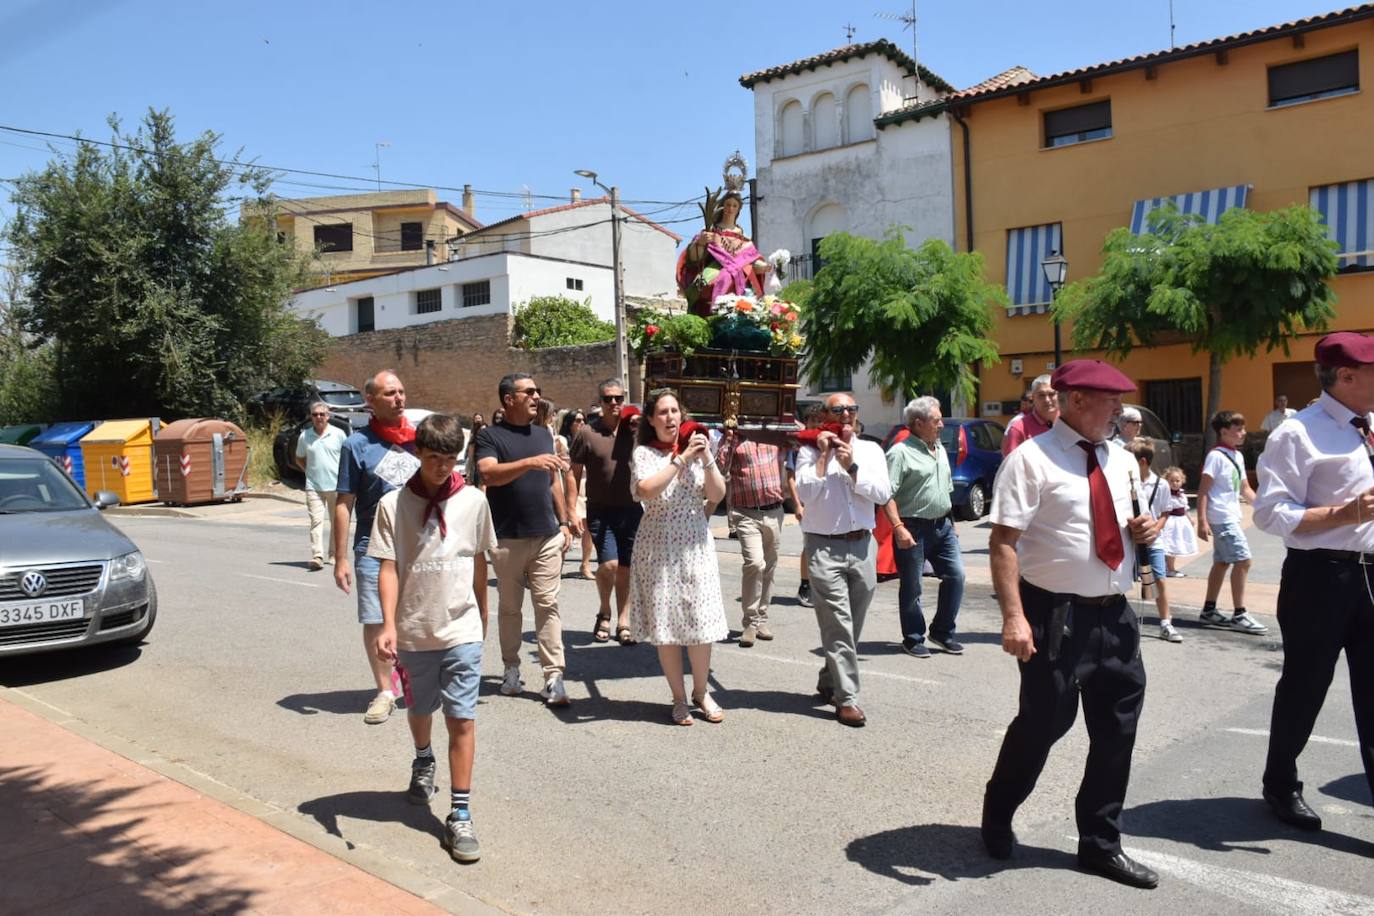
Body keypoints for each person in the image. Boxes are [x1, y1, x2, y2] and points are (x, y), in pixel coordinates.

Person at [981, 359, 1162, 889]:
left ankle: (1101, 844)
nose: (1120, 411)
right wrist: (1014, 617)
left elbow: (1125, 523)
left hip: (1115, 615)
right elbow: (1004, 544)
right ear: (1077, 400)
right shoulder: (1030, 460)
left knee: (1117, 733)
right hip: (1053, 615)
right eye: (1111, 402)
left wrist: (1142, 530)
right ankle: (998, 812)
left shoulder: (1123, 459)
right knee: (1042, 726)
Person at [1253, 331, 1374, 831]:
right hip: (1320, 576)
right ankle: (1280, 785)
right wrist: (1340, 513)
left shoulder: (1370, 426)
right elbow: (1269, 513)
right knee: (1306, 687)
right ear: (1346, 376)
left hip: (1372, 573)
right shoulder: (1296, 433)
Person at [369, 414, 496, 864]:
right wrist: (387, 624)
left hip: (461, 628)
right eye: (433, 458)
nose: (442, 467)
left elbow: (478, 559)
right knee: (421, 710)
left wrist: (482, 611)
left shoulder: (475, 502)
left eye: (450, 459)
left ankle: (460, 812)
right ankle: (423, 758)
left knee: (461, 718)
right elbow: (387, 565)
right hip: (414, 629)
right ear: (417, 455)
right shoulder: (392, 505)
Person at [629, 389, 729, 725]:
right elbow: (646, 490)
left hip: (695, 543)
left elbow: (716, 494)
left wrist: (707, 458)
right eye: (663, 412)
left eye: (675, 411)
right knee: (668, 625)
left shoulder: (696, 450)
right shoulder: (645, 453)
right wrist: (681, 458)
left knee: (700, 621)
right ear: (651, 419)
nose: (671, 418)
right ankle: (679, 698)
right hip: (658, 544)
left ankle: (702, 692)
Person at [475, 373, 574, 707]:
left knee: (547, 605)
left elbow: (553, 482)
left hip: (546, 534)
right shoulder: (490, 436)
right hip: (506, 537)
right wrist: (529, 462)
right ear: (508, 399)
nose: (536, 396)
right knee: (510, 608)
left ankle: (553, 677)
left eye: (538, 391)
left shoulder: (544, 434)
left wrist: (564, 523)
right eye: (529, 391)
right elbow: (487, 473)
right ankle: (511, 669)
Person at [795, 393, 893, 727]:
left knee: (853, 624)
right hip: (824, 547)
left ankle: (829, 679)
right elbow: (806, 494)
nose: (847, 414)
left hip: (863, 545)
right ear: (825, 415)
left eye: (851, 409)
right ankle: (847, 698)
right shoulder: (808, 451)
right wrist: (824, 457)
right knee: (838, 623)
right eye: (838, 410)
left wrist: (852, 467)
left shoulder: (871, 450)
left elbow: (882, 493)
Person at [334, 370, 422, 725]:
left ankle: (417, 682)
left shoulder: (420, 440)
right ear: (370, 400)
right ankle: (385, 690)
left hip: (419, 543)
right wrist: (339, 557)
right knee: (375, 618)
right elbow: (344, 503)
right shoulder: (356, 445)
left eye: (401, 391)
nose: (399, 398)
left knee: (415, 617)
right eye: (390, 393)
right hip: (373, 544)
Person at [881, 396, 966, 658]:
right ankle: (913, 637)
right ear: (918, 424)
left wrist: (952, 522)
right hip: (913, 528)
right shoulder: (899, 453)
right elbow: (886, 494)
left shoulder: (939, 448)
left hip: (942, 526)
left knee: (956, 576)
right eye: (936, 420)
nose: (942, 424)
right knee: (913, 586)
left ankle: (942, 631)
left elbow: (944, 488)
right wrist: (898, 527)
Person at [568, 379, 643, 646]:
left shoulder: (634, 432)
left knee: (626, 567)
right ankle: (604, 609)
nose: (614, 403)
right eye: (608, 399)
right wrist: (571, 509)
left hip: (632, 510)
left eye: (619, 399)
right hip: (600, 510)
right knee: (609, 565)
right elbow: (573, 473)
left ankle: (623, 619)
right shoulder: (587, 433)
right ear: (600, 402)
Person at [1197, 411, 1267, 634]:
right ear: (1223, 431)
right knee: (1244, 560)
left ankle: (1209, 610)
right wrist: (1201, 520)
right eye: (1238, 429)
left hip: (1231, 515)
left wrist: (1265, 507)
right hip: (1222, 517)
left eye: (1243, 429)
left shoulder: (1237, 456)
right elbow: (1203, 491)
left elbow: (1245, 489)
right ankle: (1240, 613)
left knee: (1222, 563)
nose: (1243, 433)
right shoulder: (1216, 456)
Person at [717, 428, 788, 647]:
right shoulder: (734, 438)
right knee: (755, 563)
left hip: (774, 511)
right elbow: (721, 467)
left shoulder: (775, 434)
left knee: (769, 567)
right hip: (745, 512)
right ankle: (749, 622)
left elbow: (799, 432)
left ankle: (761, 619)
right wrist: (730, 438)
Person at [677, 190, 772, 316]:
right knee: (712, 284)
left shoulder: (745, 240)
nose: (730, 208)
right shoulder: (712, 231)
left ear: (739, 209)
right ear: (722, 206)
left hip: (741, 282)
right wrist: (700, 243)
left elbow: (752, 263)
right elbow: (694, 259)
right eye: (728, 204)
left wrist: (766, 267)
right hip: (714, 274)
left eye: (734, 205)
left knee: (750, 296)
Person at [1127, 439, 1181, 642]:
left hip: (1153, 541)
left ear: (1142, 462)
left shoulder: (1161, 484)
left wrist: (1154, 531)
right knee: (1122, 578)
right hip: (1129, 539)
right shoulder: (1124, 481)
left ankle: (1166, 622)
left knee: (1159, 579)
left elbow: (1166, 511)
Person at [295, 401, 347, 571]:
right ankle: (317, 555)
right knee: (316, 521)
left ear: (328, 416)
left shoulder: (338, 434)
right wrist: (309, 473)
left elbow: (346, 459)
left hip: (335, 486)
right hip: (313, 487)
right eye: (315, 414)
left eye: (322, 414)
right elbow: (299, 458)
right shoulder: (305, 436)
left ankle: (333, 554)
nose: (318, 417)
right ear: (311, 417)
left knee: (335, 521)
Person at [789, 405, 825, 608]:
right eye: (812, 421)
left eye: (820, 420)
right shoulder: (800, 446)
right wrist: (797, 504)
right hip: (807, 503)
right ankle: (805, 584)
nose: (816, 424)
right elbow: (791, 477)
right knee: (809, 545)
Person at [558, 409, 594, 579]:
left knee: (588, 529)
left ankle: (585, 564)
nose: (581, 423)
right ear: (569, 423)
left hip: (586, 485)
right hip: (570, 487)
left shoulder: (588, 439)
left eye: (583, 420)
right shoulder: (562, 441)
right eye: (577, 420)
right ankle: (558, 563)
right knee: (569, 528)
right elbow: (556, 459)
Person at [1002, 374, 1058, 455]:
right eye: (1041, 395)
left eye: (1051, 394)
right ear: (1033, 398)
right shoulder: (1019, 429)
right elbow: (1012, 464)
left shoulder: (1071, 423)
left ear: (1059, 395)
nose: (1047, 400)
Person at [1158, 466, 1198, 577]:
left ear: (1182, 481)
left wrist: (1190, 519)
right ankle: (1169, 569)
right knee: (1169, 545)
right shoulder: (1166, 494)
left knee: (1174, 545)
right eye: (1171, 481)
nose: (1175, 483)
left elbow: (1185, 508)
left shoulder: (1181, 494)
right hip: (1170, 522)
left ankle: (1169, 568)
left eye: (1177, 481)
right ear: (1166, 481)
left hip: (1181, 522)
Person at [464, 413, 485, 489]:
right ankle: (471, 483)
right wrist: (467, 451)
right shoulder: (473, 428)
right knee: (471, 467)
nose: (477, 420)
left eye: (479, 418)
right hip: (472, 450)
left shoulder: (483, 427)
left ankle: (477, 484)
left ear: (482, 419)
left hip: (478, 450)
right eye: (476, 418)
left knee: (477, 468)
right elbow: (470, 440)